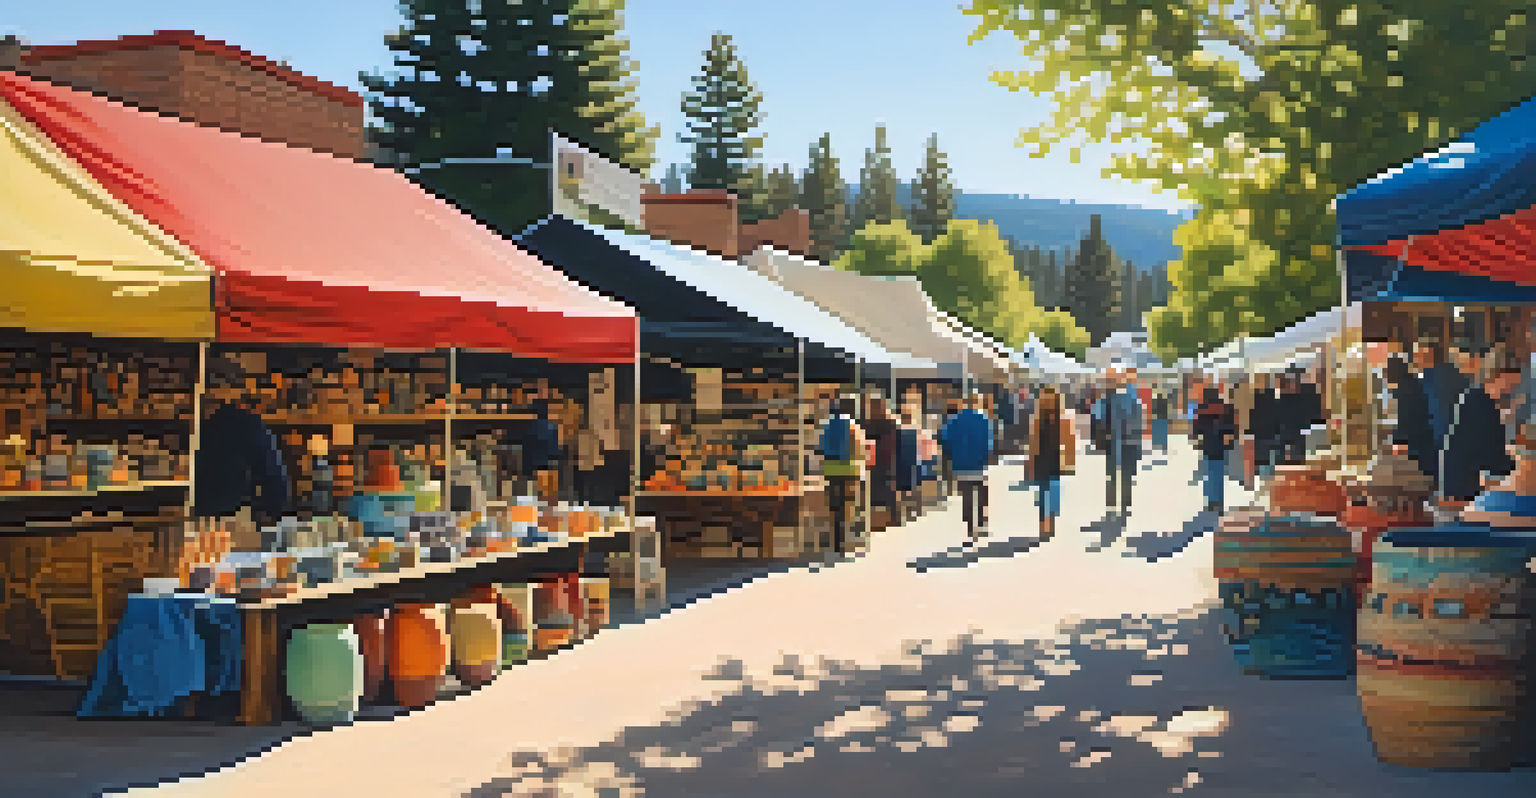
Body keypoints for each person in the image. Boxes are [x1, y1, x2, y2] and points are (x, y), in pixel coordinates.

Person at [1436, 338, 1515, 508]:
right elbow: (1488, 454)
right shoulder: (1479, 404)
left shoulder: (1477, 398)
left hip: (1463, 484)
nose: (1511, 389)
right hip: (1466, 490)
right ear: (1496, 374)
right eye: (1510, 382)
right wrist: (1517, 465)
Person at [940, 392, 995, 544]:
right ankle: (981, 522)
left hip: (960, 464)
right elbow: (989, 443)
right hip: (978, 464)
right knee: (981, 491)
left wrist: (951, 458)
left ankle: (971, 528)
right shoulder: (984, 419)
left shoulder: (954, 420)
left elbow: (946, 441)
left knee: (967, 496)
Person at [817, 397, 868, 556]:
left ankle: (837, 543)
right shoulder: (854, 425)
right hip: (851, 471)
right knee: (850, 508)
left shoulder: (828, 424)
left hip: (831, 470)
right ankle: (848, 543)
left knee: (836, 508)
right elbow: (860, 448)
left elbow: (821, 447)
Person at [1026, 386, 1076, 540]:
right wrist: (1030, 462)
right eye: (1043, 399)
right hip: (1041, 459)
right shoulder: (1037, 419)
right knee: (1042, 494)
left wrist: (1069, 460)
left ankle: (1051, 521)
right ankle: (1042, 525)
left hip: (1055, 459)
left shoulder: (1062, 418)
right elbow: (1033, 442)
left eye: (1049, 399)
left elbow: (1069, 440)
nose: (1046, 402)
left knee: (1053, 493)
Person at [1095, 367, 1145, 517]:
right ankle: (1124, 504)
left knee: (1113, 474)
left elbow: (1100, 420)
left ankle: (1113, 504)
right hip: (1127, 442)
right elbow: (1139, 422)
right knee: (1125, 475)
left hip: (1115, 441)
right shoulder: (1131, 399)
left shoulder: (1109, 400)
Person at [1193, 386, 1238, 513]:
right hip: (1221, 445)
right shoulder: (1226, 408)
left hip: (1208, 445)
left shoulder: (1202, 409)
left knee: (1209, 473)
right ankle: (1219, 501)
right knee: (1219, 473)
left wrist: (1197, 438)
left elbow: (1196, 429)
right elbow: (1232, 427)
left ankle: (1211, 501)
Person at [862, 393, 901, 528]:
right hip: (874, 461)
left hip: (886, 460)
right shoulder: (869, 423)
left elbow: (892, 442)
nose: (873, 408)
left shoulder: (888, 422)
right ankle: (876, 520)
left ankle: (894, 518)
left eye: (875, 405)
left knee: (888, 489)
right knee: (874, 490)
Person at [1150, 387, 1171, 455]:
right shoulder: (1164, 401)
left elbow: (1154, 411)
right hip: (1162, 420)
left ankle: (1157, 447)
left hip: (1158, 420)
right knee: (1162, 434)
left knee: (1158, 434)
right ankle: (1163, 448)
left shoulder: (1155, 401)